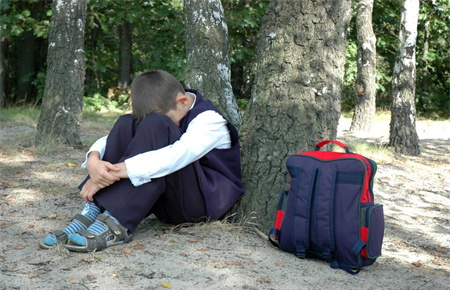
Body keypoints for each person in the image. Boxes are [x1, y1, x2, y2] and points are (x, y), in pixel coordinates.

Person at [39, 70, 245, 252]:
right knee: (126, 122)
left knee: (156, 125)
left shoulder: (209, 119)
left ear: (183, 101)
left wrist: (111, 173)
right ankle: (96, 210)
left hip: (198, 204)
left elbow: (176, 156)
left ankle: (116, 221)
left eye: (168, 117)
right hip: (165, 198)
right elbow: (110, 139)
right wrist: (93, 160)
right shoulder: (172, 108)